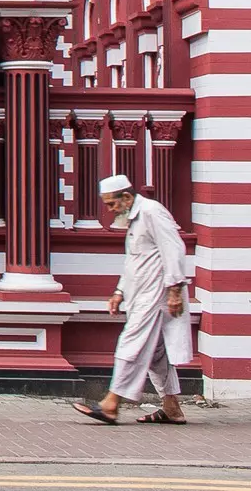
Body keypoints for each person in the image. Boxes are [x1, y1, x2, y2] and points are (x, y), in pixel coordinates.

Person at [73, 174, 192, 425]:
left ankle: (111, 403)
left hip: (157, 292)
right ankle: (172, 407)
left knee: (131, 343)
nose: (109, 210)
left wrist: (174, 290)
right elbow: (134, 261)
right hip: (142, 292)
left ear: (126, 197)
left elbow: (174, 248)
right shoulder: (135, 218)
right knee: (157, 353)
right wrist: (119, 292)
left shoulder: (151, 212)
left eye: (111, 204)